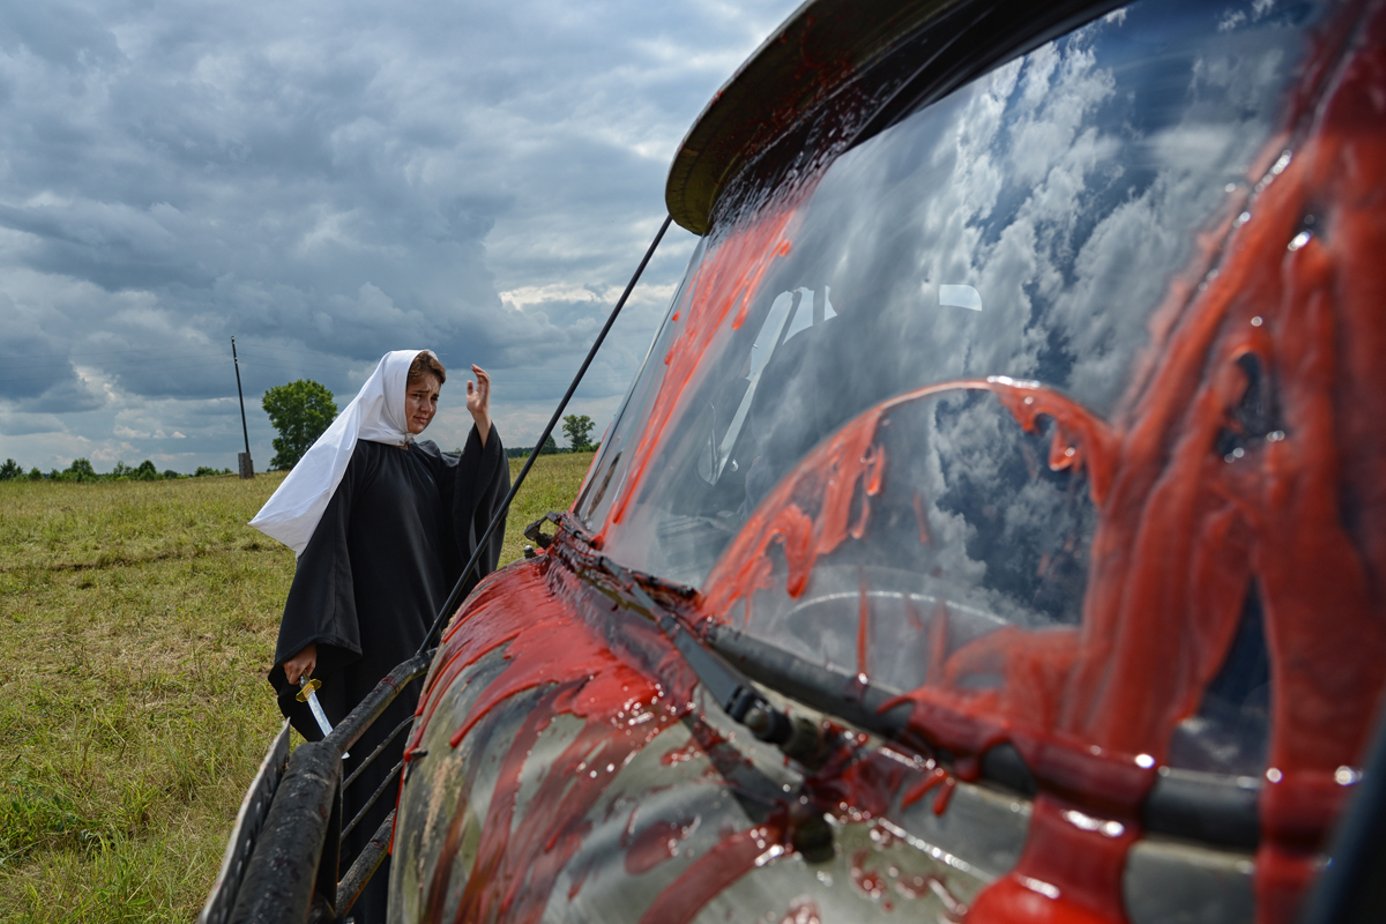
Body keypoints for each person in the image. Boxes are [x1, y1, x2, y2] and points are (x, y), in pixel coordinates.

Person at [249, 348, 510, 922]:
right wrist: (308, 635)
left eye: (435, 399)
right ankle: (368, 899)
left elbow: (473, 501)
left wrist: (481, 423)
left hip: (423, 634)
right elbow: (328, 547)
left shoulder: (424, 460)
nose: (426, 408)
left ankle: (421, 883)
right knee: (375, 761)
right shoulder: (360, 461)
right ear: (392, 393)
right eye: (417, 396)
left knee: (419, 759)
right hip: (375, 638)